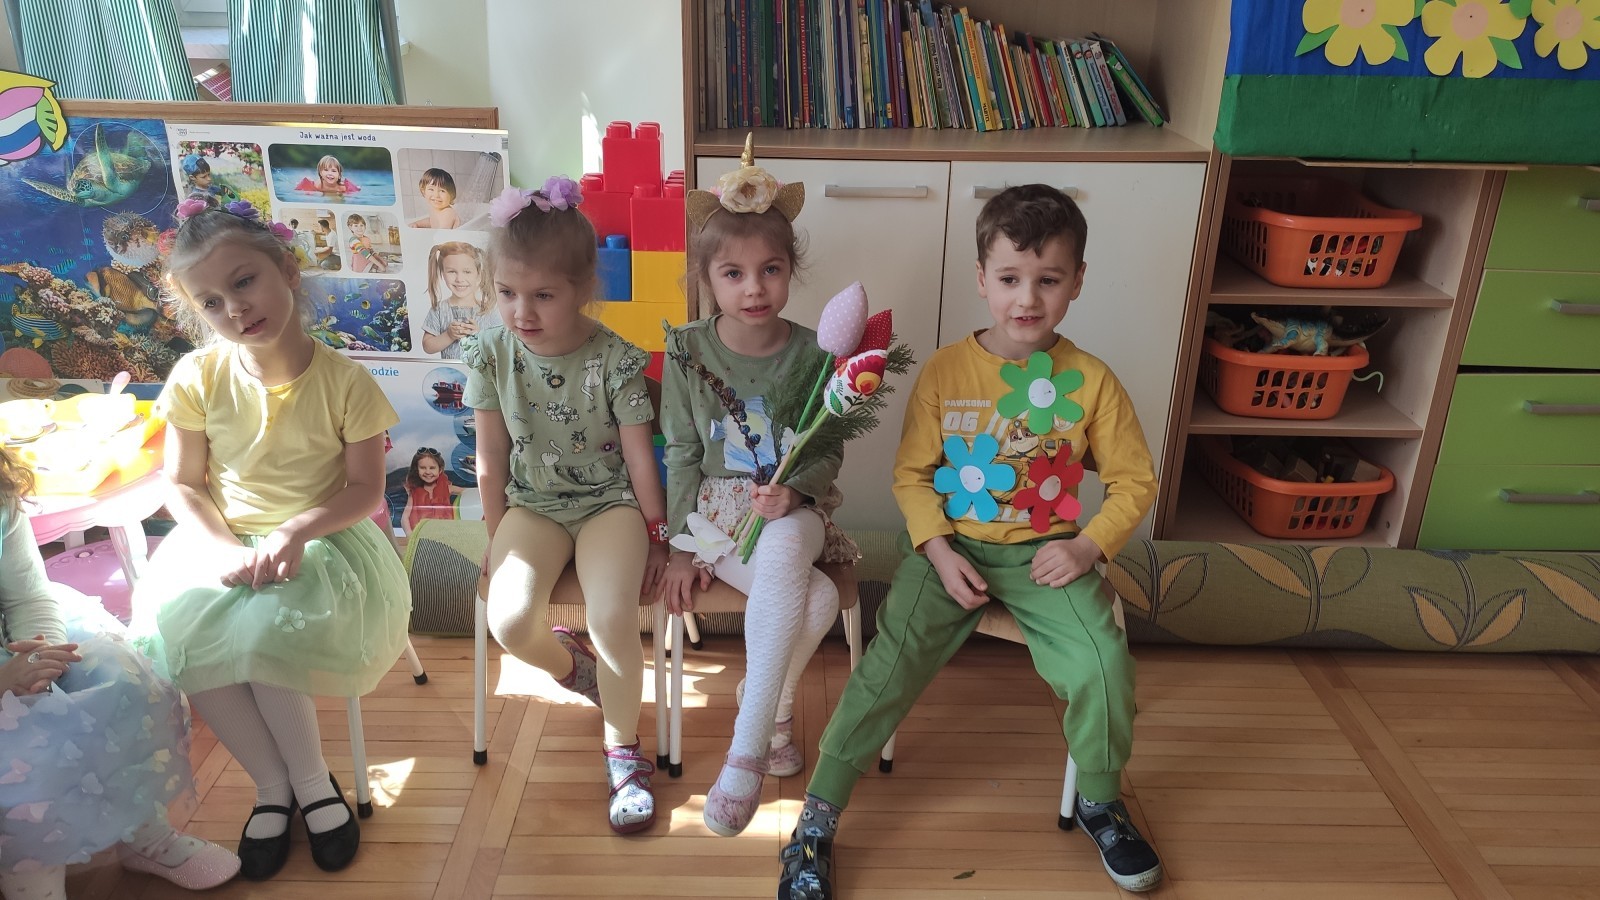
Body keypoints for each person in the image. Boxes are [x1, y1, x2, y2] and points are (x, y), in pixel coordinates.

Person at [776, 184, 1163, 897]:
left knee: (1104, 662)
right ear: (982, 279)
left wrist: (1088, 547)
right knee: (887, 666)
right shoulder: (945, 372)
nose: (1027, 299)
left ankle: (1100, 802)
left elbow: (1135, 481)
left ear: (1078, 281)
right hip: (949, 552)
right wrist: (938, 550)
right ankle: (817, 820)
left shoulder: (1092, 382)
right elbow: (913, 475)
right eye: (1010, 278)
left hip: (1049, 558)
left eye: (1049, 280)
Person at [129, 197, 411, 881]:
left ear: (286, 268)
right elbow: (183, 484)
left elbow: (364, 491)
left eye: (244, 281)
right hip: (218, 538)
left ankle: (313, 784)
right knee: (184, 638)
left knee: (262, 640)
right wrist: (223, 548)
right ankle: (272, 786)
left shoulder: (346, 381)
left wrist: (294, 530)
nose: (235, 309)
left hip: (323, 542)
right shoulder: (197, 376)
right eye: (211, 302)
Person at [659, 141, 857, 838]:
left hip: (794, 510)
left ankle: (744, 752)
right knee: (820, 598)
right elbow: (681, 451)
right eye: (734, 273)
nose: (754, 288)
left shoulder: (814, 352)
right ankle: (770, 715)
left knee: (789, 542)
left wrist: (796, 493)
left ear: (790, 270)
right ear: (707, 278)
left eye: (770, 270)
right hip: (719, 518)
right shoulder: (687, 350)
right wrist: (680, 548)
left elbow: (828, 443)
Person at [464, 175, 667, 834]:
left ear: (582, 289)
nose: (521, 311)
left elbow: (641, 459)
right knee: (509, 621)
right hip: (533, 505)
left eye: (542, 295)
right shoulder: (491, 353)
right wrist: (496, 539)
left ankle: (623, 752)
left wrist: (658, 535)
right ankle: (576, 670)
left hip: (610, 503)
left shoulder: (616, 361)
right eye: (506, 292)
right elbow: (490, 457)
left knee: (611, 617)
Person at [0, 445, 241, 897]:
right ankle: (34, 886)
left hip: (18, 648)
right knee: (30, 760)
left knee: (130, 689)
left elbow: (27, 594)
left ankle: (144, 834)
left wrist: (44, 652)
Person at [420, 241, 500, 359]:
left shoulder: (489, 311)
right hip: (451, 371)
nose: (459, 279)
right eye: (452, 271)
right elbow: (427, 347)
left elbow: (501, 345)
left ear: (478, 275)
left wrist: (478, 337)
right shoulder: (439, 309)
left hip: (482, 371)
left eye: (467, 272)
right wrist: (448, 336)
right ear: (443, 274)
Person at [401, 446, 464, 532]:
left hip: (445, 534)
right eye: (423, 468)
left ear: (440, 470)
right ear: (417, 470)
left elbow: (470, 493)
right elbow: (405, 518)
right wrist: (410, 536)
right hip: (422, 535)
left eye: (432, 468)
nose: (427, 472)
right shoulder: (413, 493)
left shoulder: (448, 488)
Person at [294, 155, 360, 199]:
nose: (330, 173)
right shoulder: (317, 186)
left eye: (334, 171)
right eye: (326, 170)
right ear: (320, 173)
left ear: (339, 175)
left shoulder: (342, 188)